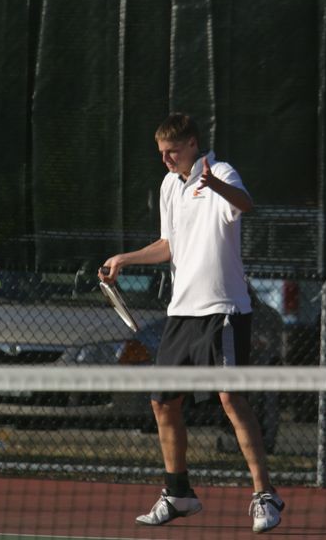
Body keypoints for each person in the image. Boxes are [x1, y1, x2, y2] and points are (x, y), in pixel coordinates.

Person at [98, 112, 284, 533]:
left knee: (231, 400)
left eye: (172, 152)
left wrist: (214, 185)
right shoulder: (169, 186)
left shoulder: (221, 172)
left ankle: (264, 495)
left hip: (224, 311)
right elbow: (169, 245)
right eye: (161, 154)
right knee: (162, 402)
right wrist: (123, 259)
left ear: (192, 144)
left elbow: (246, 204)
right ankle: (177, 492)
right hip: (181, 313)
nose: (166, 160)